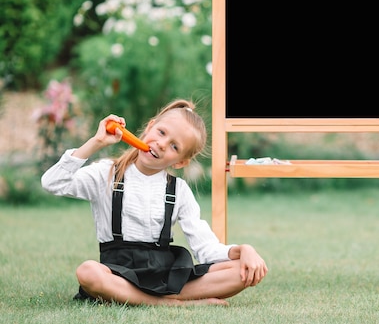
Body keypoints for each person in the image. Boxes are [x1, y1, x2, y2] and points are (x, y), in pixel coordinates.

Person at [41, 99, 267, 306]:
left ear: (181, 162)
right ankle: (170, 303)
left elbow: (206, 249)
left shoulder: (179, 190)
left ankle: (143, 298)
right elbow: (53, 183)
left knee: (240, 271)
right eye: (161, 132)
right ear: (149, 127)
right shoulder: (106, 174)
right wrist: (96, 142)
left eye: (174, 146)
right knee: (88, 271)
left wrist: (244, 250)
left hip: (165, 275)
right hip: (118, 273)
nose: (161, 144)